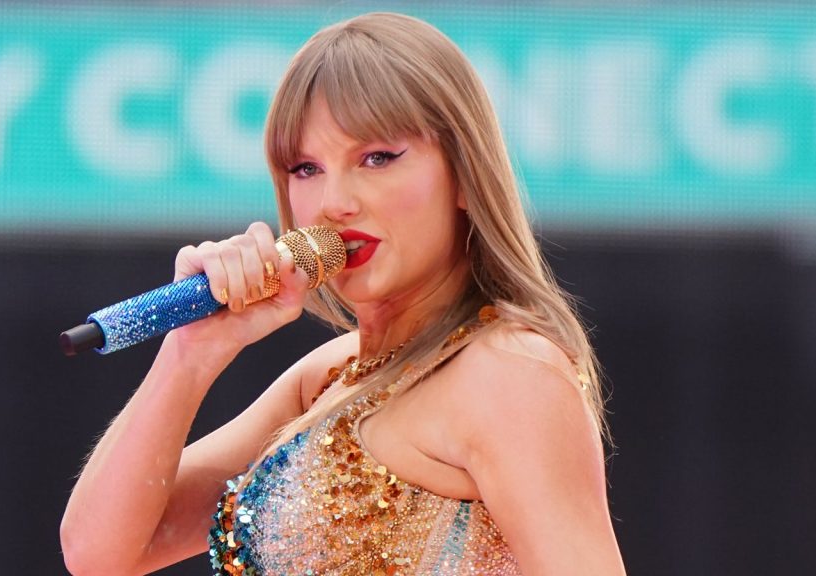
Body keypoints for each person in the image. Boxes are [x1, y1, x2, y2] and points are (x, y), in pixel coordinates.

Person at [61, 12, 625, 576]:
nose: (335, 203)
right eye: (306, 168)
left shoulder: (509, 372)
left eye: (377, 158)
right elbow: (99, 555)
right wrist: (191, 354)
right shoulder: (327, 378)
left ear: (464, 173)